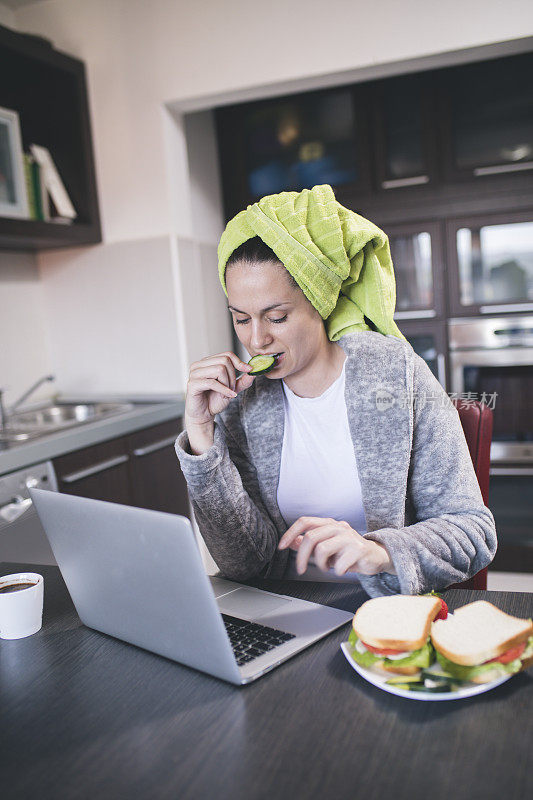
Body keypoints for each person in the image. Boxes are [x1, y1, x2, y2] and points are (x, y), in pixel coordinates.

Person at [175, 184, 496, 596]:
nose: (256, 340)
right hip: (282, 612)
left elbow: (473, 531)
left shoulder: (397, 374)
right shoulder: (241, 406)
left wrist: (377, 552)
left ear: (319, 303)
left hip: (385, 615)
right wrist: (203, 439)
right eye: (241, 319)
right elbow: (243, 563)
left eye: (276, 317)